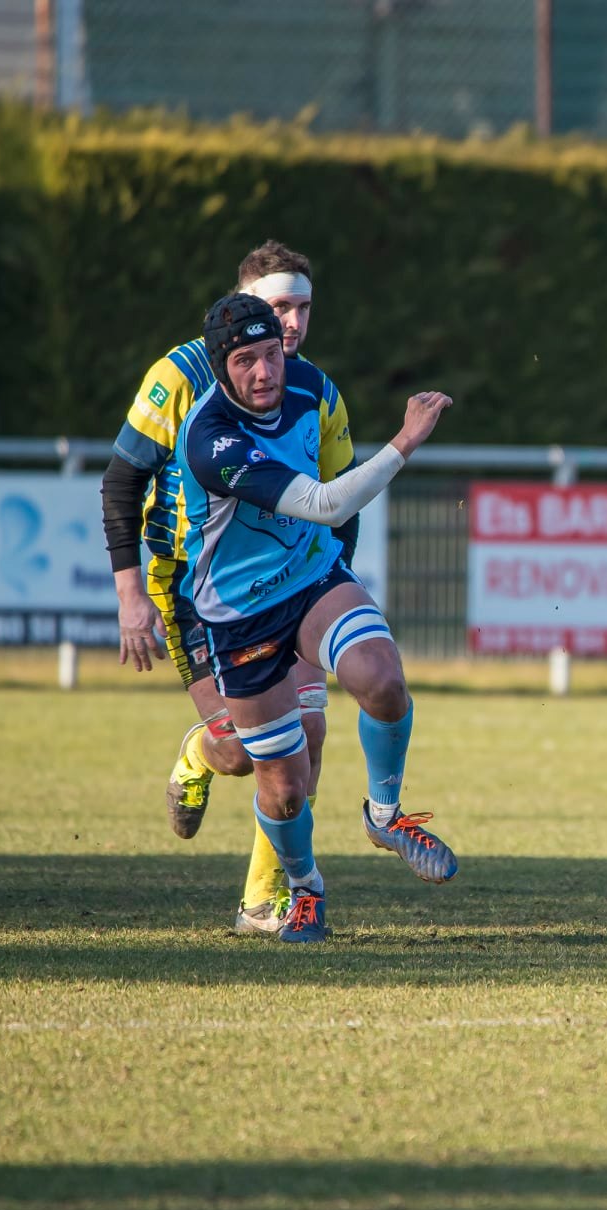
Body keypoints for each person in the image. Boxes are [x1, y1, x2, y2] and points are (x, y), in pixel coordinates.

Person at [174, 293, 455, 942]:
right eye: (245, 361)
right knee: (285, 788)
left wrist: (341, 559)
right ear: (221, 368)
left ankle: (385, 815)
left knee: (382, 679)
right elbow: (327, 502)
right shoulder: (211, 438)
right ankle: (305, 889)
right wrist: (406, 441)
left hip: (311, 578)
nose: (264, 372)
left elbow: (333, 478)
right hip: (241, 615)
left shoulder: (310, 387)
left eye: (271, 354)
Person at [100, 240, 358, 934]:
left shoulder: (312, 386)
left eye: (303, 308)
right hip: (195, 591)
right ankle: (199, 752)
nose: (292, 323)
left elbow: (339, 495)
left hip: (291, 582)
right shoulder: (179, 377)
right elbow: (122, 481)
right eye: (279, 307)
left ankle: (263, 901)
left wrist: (332, 584)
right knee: (243, 751)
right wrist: (131, 597)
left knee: (307, 730)